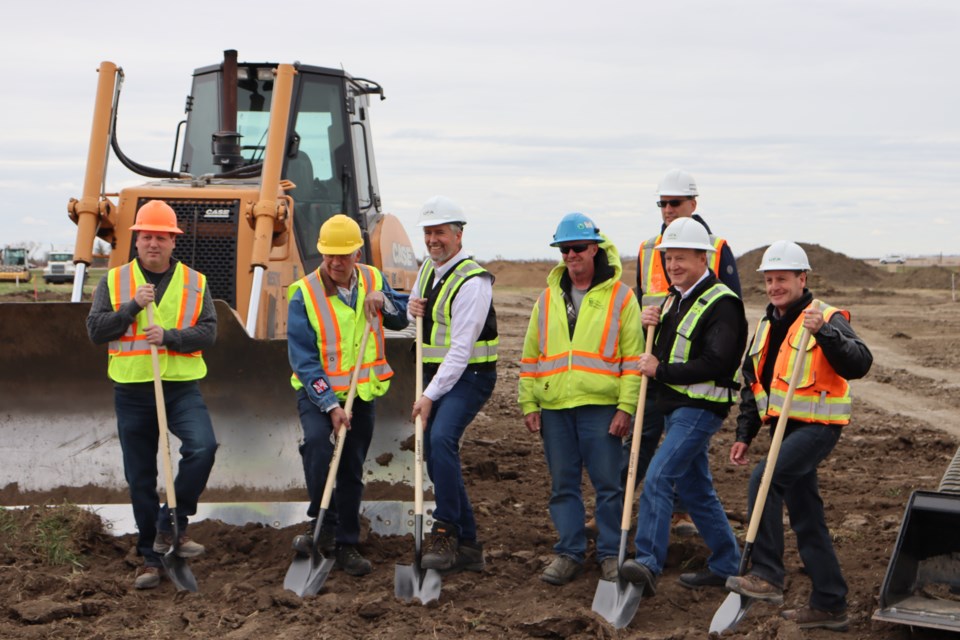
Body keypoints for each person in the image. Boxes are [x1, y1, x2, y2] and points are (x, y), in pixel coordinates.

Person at [725, 241, 872, 631]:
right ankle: (830, 602)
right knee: (807, 517)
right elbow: (752, 386)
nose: (775, 286)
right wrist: (745, 434)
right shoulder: (766, 324)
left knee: (765, 479)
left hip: (819, 427)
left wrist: (826, 333)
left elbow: (860, 363)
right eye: (769, 280)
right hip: (783, 428)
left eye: (782, 279)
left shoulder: (823, 316)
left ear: (801, 279)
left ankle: (768, 574)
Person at [86, 200, 218, 590]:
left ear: (173, 241)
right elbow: (96, 330)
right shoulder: (113, 281)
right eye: (146, 237)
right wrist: (131, 308)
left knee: (203, 447)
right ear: (136, 240)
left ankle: (171, 524)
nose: (153, 243)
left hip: (180, 388)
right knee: (140, 477)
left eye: (161, 237)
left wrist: (171, 338)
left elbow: (209, 331)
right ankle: (149, 558)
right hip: (131, 390)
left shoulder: (195, 282)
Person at [620, 217, 746, 596]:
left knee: (659, 476)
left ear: (702, 258)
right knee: (696, 490)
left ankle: (647, 563)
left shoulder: (723, 303)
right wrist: (650, 328)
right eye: (669, 258)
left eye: (681, 258)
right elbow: (666, 353)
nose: (673, 265)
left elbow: (718, 362)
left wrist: (662, 369)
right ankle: (727, 563)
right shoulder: (677, 299)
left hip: (700, 408)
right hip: (677, 406)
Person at [518, 213, 643, 585]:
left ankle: (609, 554)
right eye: (564, 249)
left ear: (594, 249)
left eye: (577, 248)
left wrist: (626, 407)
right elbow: (530, 355)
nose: (570, 255)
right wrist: (529, 403)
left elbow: (633, 359)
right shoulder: (547, 299)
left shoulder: (622, 297)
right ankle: (569, 553)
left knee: (608, 485)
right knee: (563, 485)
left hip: (601, 408)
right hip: (556, 408)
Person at [287, 214, 408, 576]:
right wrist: (330, 405)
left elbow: (401, 319)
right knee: (318, 449)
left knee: (352, 468)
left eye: (344, 255)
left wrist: (383, 301)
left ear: (358, 252)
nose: (336, 263)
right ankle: (320, 522)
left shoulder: (373, 278)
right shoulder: (304, 294)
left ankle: (347, 543)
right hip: (318, 394)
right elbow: (304, 359)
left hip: (361, 393)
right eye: (329, 256)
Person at [408, 195, 498, 574]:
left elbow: (461, 349)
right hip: (436, 373)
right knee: (434, 450)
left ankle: (445, 529)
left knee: (442, 439)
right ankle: (470, 544)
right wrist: (395, 306)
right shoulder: (428, 269)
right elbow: (414, 316)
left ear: (458, 236)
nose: (433, 240)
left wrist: (429, 396)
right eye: (428, 232)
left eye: (440, 232)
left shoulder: (473, 282)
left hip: (470, 376)